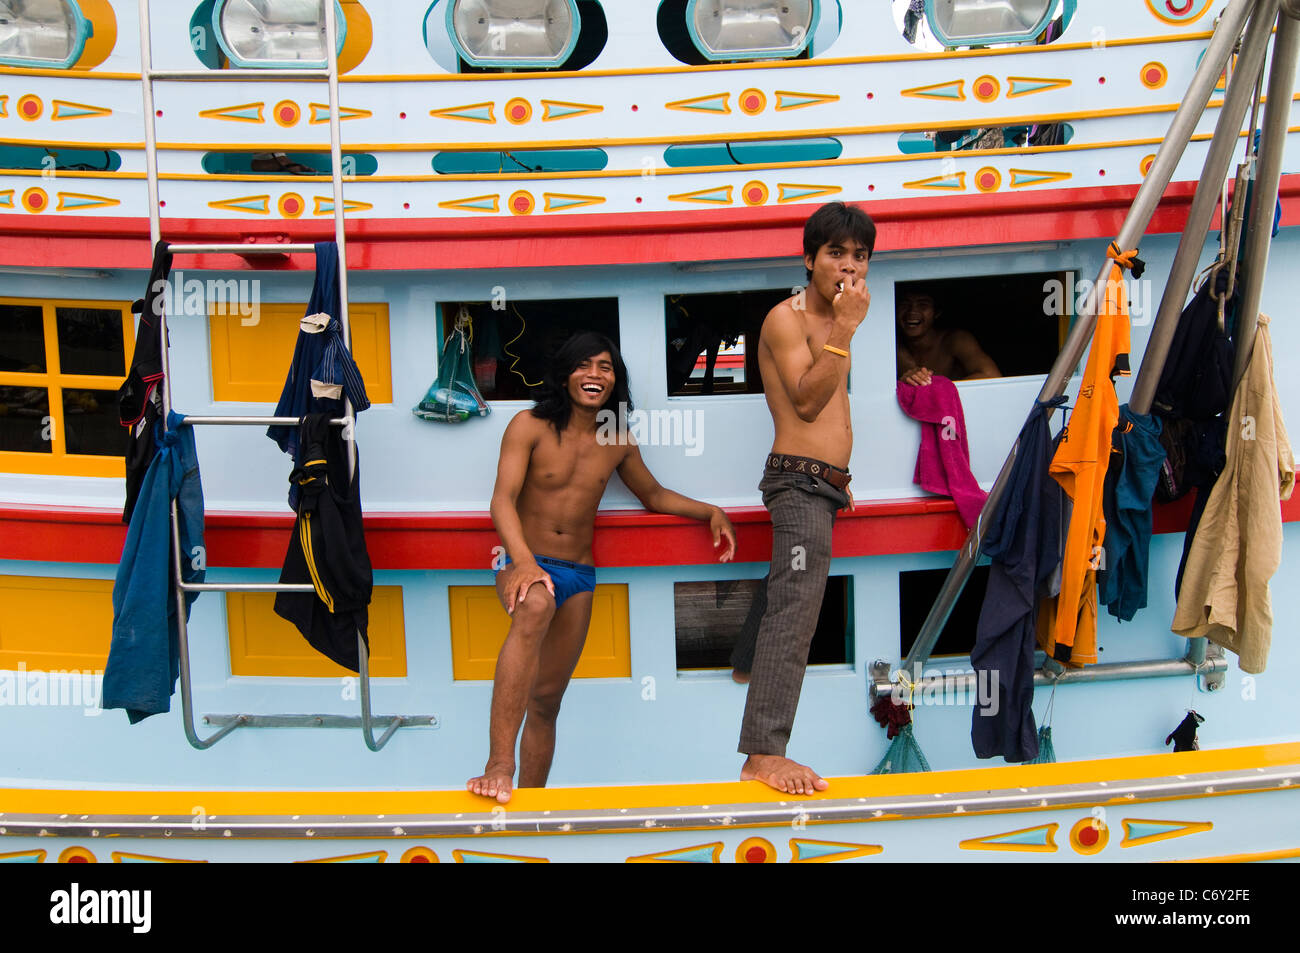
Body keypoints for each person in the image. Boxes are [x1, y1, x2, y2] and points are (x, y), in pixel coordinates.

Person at [468, 332, 737, 804]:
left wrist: (709, 511)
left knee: (547, 701)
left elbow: (653, 495)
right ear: (565, 373)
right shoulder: (528, 425)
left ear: (615, 381)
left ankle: (530, 804)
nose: (595, 375)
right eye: (584, 365)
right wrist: (524, 563)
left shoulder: (617, 438)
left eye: (606, 367)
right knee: (534, 608)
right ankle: (498, 765)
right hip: (524, 562)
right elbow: (501, 500)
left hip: (580, 575)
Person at [734, 202, 872, 796]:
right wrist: (844, 329)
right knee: (794, 612)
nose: (846, 266)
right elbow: (809, 403)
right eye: (835, 253)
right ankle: (764, 754)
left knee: (798, 610)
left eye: (858, 256)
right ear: (809, 258)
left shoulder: (840, 319)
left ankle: (766, 748)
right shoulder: (783, 320)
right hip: (797, 483)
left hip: (824, 487)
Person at [896, 289, 1000, 385]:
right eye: (904, 304)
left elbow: (992, 376)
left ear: (936, 312)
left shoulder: (955, 339)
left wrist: (939, 390)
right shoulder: (890, 343)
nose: (912, 311)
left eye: (923, 305)